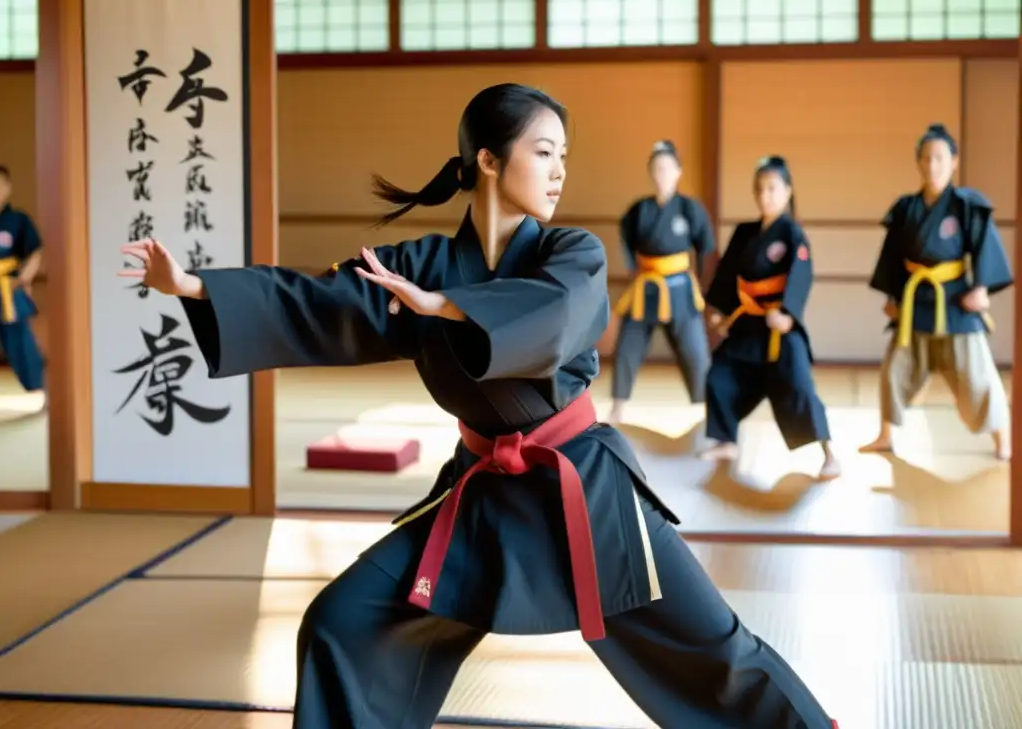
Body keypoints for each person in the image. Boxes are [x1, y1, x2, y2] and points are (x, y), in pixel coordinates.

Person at [120, 84, 839, 729]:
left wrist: (447, 308)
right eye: (545, 151)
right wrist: (194, 288)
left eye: (565, 155)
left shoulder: (571, 251)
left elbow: (563, 317)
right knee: (344, 624)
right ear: (489, 161)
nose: (561, 170)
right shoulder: (420, 266)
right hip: (481, 495)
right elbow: (322, 301)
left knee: (714, 652)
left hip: (581, 487)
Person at [859, 123, 1012, 459]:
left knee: (978, 374)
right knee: (895, 368)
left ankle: (1003, 439)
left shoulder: (966, 205)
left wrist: (982, 289)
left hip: (956, 301)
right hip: (916, 302)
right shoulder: (905, 209)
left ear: (954, 162)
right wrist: (892, 298)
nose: (933, 165)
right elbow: (892, 257)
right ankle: (886, 434)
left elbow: (984, 245)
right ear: (918, 162)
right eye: (926, 158)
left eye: (940, 158)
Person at [699, 156, 840, 479]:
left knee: (799, 387)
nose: (766, 195)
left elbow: (802, 273)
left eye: (773, 188)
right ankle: (725, 440)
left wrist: (788, 314)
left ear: (788, 191)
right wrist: (719, 310)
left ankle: (830, 453)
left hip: (780, 330)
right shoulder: (745, 232)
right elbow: (727, 275)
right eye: (760, 189)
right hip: (748, 325)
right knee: (720, 375)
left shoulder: (793, 234)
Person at [606, 140, 714, 426]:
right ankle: (618, 406)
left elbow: (706, 245)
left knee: (695, 351)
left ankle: (708, 412)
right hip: (647, 288)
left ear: (678, 171)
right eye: (656, 168)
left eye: (667, 168)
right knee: (628, 344)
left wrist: (701, 283)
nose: (662, 173)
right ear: (651, 172)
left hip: (680, 287)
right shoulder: (639, 210)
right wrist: (632, 269)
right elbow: (626, 240)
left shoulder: (690, 209)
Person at [0, 165, 46, 404]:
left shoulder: (18, 220)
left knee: (20, 342)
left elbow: (35, 251)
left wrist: (25, 278)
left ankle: (35, 391)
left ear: (7, 188)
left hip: (7, 288)